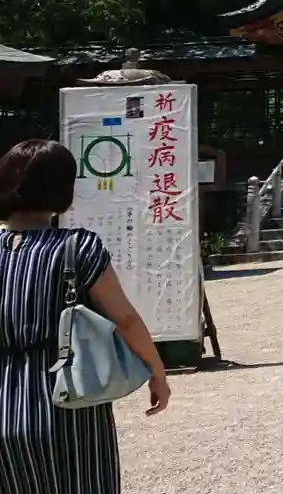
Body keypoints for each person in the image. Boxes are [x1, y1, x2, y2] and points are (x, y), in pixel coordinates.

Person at [0, 139, 171, 494]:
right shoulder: (79, 247)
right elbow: (124, 318)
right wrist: (156, 371)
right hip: (68, 405)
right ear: (63, 189)